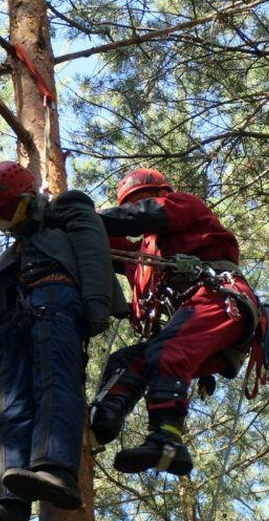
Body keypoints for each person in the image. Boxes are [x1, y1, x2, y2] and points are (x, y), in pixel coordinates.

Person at [0, 160, 126, 521]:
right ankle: (10, 505)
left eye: (12, 212)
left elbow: (92, 247)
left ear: (30, 197)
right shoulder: (15, 250)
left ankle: (56, 468)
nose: (10, 223)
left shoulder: (66, 208)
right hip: (17, 322)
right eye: (1, 218)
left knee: (55, 382)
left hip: (57, 300)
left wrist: (95, 301)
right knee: (7, 407)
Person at [90, 168, 259, 476]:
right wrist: (77, 219)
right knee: (128, 362)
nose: (136, 209)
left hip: (216, 300)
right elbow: (111, 245)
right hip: (196, 324)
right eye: (132, 203)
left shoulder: (182, 206)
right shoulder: (143, 257)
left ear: (160, 194)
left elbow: (146, 215)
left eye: (141, 201)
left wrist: (94, 216)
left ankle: (167, 440)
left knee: (166, 351)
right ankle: (100, 423)